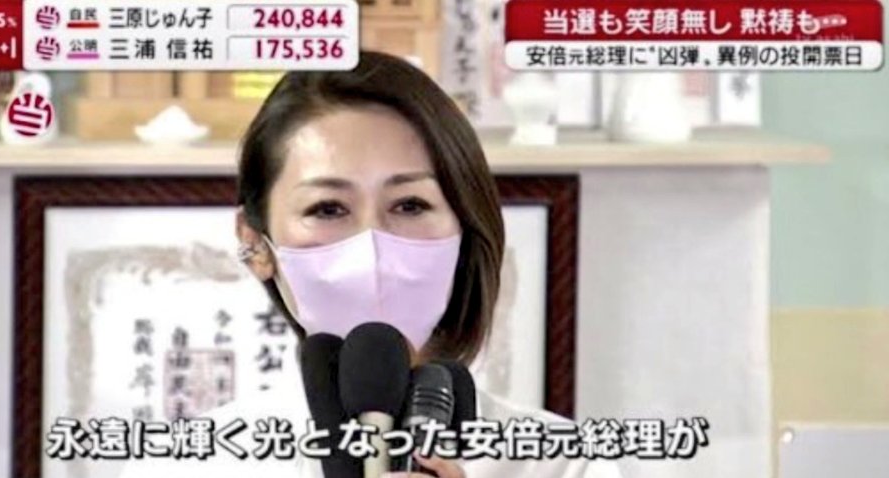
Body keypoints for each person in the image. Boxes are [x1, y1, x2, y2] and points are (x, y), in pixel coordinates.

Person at [120, 51, 621, 478]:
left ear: (465, 227)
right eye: (327, 209)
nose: (372, 246)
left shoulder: (565, 465)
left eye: (410, 205)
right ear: (256, 243)